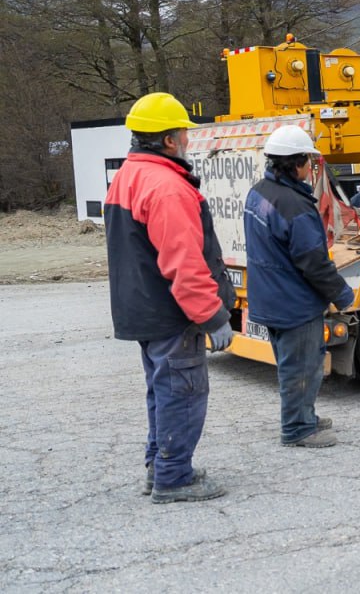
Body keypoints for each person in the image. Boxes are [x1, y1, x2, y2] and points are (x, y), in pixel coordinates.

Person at [104, 92, 235, 504]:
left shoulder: (128, 176)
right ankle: (174, 478)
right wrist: (213, 316)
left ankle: (158, 467)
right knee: (183, 391)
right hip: (171, 313)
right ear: (168, 140)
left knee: (163, 390)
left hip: (143, 309)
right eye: (183, 133)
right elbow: (184, 263)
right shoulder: (167, 188)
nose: (187, 140)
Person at [244, 125, 355, 449]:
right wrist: (343, 295)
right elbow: (314, 263)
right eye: (308, 160)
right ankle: (298, 428)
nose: (311, 167)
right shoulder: (296, 206)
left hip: (269, 298)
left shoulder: (258, 192)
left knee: (292, 364)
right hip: (294, 304)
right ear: (295, 165)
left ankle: (304, 414)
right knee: (302, 367)